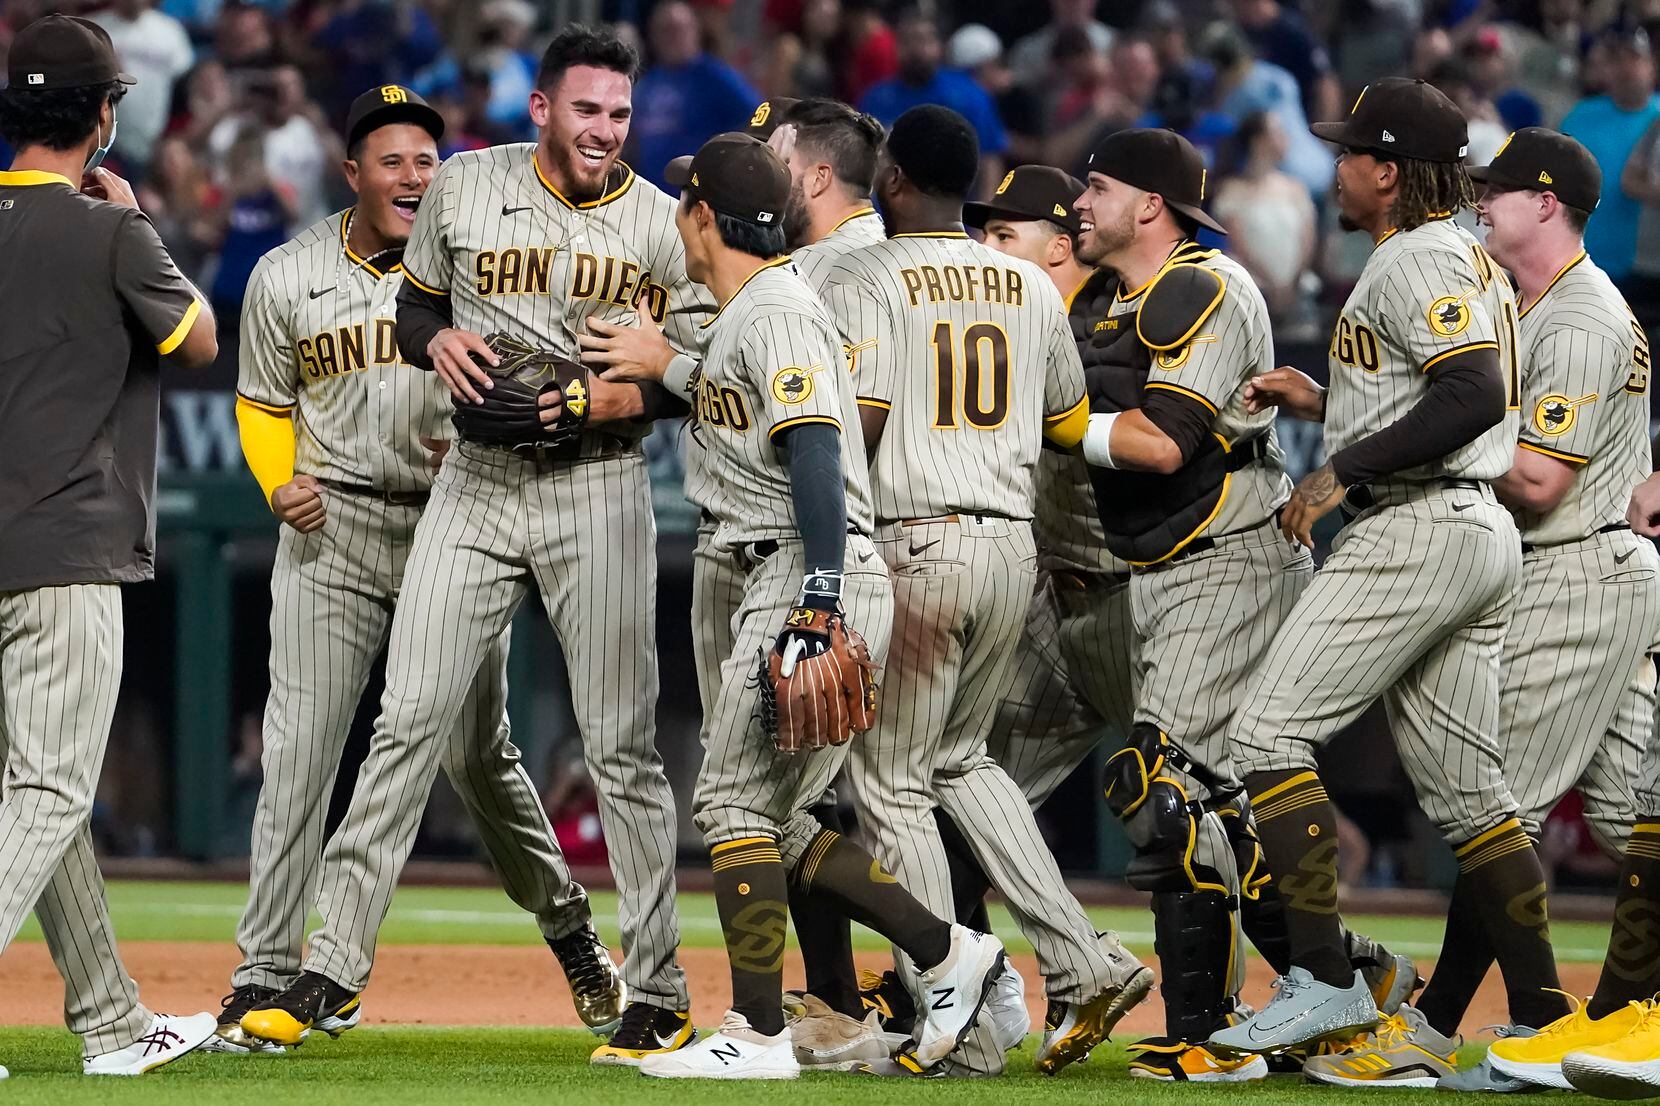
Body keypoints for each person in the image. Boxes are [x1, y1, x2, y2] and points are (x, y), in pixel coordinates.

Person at [238, 26, 698, 1067]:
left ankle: (658, 988)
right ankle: (329, 965)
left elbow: (698, 376)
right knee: (406, 719)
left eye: (619, 114)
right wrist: (430, 336)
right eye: (586, 110)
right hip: (476, 483)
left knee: (620, 745)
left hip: (596, 481)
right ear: (541, 109)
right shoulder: (463, 187)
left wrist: (603, 393)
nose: (603, 131)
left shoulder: (663, 227)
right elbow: (417, 306)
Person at [597, 129, 1007, 1081]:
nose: (678, 219)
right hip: (798, 567)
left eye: (684, 204)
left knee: (731, 796)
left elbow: (818, 445)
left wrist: (819, 594)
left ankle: (756, 1032)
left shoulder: (774, 310)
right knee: (775, 816)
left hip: (803, 569)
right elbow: (740, 400)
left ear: (703, 216)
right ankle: (949, 951)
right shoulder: (754, 311)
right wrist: (668, 367)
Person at [1210, 78, 1564, 1066]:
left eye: (1348, 151)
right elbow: (1432, 387)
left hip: (1419, 525)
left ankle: (1323, 979)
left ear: (1385, 170)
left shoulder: (1414, 256)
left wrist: (1338, 466)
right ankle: (1540, 1015)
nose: (1334, 165)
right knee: (1470, 795)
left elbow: (1472, 392)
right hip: (1467, 525)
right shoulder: (1461, 259)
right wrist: (1327, 399)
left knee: (1267, 733)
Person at [1071, 128, 1416, 1080]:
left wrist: (1049, 421)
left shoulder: (1208, 286)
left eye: (1096, 188)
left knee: (1163, 786)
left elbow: (1166, 443)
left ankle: (1211, 1030)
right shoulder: (1104, 296)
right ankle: (1351, 978)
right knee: (1215, 806)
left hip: (1232, 555)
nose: (1080, 204)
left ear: (1149, 204)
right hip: (1156, 569)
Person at [820, 105, 1149, 1077]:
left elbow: (863, 420)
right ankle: (1084, 959)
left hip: (915, 537)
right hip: (1013, 546)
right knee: (963, 760)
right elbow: (1067, 421)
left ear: (889, 178)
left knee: (889, 782)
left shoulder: (863, 272)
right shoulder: (1028, 281)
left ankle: (948, 1011)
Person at [1408, 129, 1659, 1092]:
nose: (1481, 205)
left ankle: (1447, 1025)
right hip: (1591, 573)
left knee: (1491, 807)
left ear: (1547, 204)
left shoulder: (1581, 318)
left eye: (1498, 192)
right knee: (1639, 816)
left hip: (1576, 572)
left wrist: (1418, 437)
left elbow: (1542, 480)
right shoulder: (1536, 305)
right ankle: (1615, 1019)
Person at [0, 13, 219, 1076]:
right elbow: (199, 337)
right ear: (102, 113)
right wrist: (138, 220)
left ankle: (114, 1021)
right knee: (46, 793)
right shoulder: (110, 231)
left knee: (39, 793)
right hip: (66, 541)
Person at [860, 6, 1006, 198]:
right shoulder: (875, 98)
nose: (915, 50)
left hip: (958, 217)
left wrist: (984, 220)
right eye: (906, 41)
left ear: (940, 46)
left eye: (923, 40)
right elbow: (863, 165)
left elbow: (990, 160)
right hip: (888, 217)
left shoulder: (970, 94)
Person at [1559, 26, 1659, 287]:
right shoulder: (1582, 114)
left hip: (1645, 264)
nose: (1625, 67)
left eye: (1634, 57)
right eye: (1616, 59)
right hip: (1581, 259)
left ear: (1652, 65)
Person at [630, 0, 759, 190]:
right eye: (665, 30)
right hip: (651, 194)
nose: (672, 38)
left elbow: (756, 116)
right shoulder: (648, 82)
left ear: (695, 31)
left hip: (696, 194)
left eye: (678, 29)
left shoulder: (716, 77)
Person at [1212, 111, 1318, 331]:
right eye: (1277, 132)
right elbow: (1237, 244)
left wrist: (1291, 283)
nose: (1285, 138)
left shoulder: (1295, 188)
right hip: (1252, 291)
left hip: (1296, 292)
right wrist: (1270, 286)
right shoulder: (1232, 190)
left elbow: (1308, 239)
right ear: (1257, 141)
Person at [87, 0, 193, 177]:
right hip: (105, 145)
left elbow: (184, 89)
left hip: (156, 145)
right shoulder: (93, 30)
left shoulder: (170, 31)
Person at [1006, 0, 1114, 90]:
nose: (1072, 4)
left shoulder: (1113, 43)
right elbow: (1014, 88)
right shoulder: (1027, 50)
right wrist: (1043, 77)